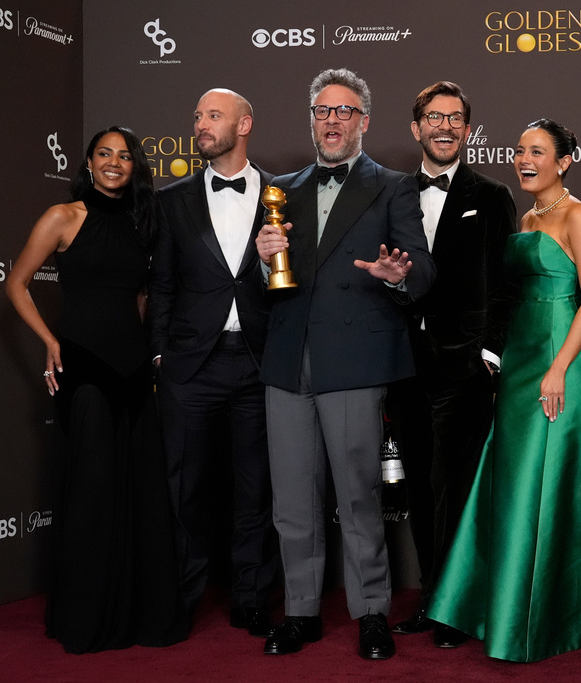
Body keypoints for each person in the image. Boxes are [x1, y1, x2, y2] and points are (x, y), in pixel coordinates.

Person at [428, 119, 581, 662]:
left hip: (559, 362)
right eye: (520, 151)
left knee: (551, 488)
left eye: (538, 152)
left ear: (565, 160)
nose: (524, 159)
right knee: (514, 487)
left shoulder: (579, 217)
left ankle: (556, 615)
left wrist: (558, 368)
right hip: (521, 361)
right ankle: (507, 606)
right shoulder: (527, 217)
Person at [253, 68, 436, 660]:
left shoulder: (393, 187)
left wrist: (400, 275)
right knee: (292, 502)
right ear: (312, 120)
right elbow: (267, 283)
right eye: (324, 111)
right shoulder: (281, 186)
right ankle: (301, 611)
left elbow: (423, 271)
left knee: (358, 499)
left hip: (356, 362)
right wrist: (263, 260)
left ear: (363, 121)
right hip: (287, 364)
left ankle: (372, 611)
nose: (333, 120)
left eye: (345, 111)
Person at [6, 127, 183, 653]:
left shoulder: (141, 221)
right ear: (87, 162)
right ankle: (87, 619)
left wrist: (146, 351)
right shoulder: (63, 217)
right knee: (94, 490)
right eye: (104, 154)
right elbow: (16, 282)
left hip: (132, 370)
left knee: (139, 493)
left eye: (124, 156)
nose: (113, 163)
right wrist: (49, 342)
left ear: (134, 166)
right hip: (83, 368)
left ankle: (135, 617)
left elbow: (143, 296)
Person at [387, 81, 516, 649]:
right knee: (418, 485)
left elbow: (505, 281)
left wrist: (489, 352)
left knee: (457, 489)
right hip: (402, 362)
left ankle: (459, 606)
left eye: (456, 119)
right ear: (416, 128)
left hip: (463, 366)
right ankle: (432, 595)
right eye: (434, 118)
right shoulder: (390, 193)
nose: (445, 127)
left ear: (468, 130)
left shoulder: (491, 195)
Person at [149, 88, 279, 639]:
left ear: (244, 123)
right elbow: (160, 286)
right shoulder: (171, 198)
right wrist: (159, 354)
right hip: (190, 367)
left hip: (258, 362)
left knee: (256, 489)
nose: (200, 124)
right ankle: (181, 598)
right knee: (184, 489)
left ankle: (250, 598)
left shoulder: (282, 193)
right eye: (197, 115)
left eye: (213, 116)